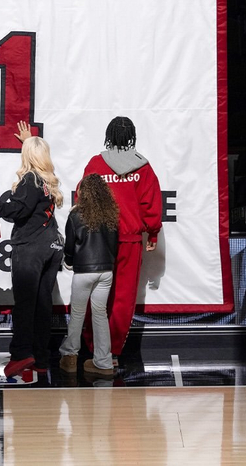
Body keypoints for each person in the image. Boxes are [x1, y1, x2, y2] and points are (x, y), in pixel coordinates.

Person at [0, 127, 64, 378]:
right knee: (43, 304)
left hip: (31, 248)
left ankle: (21, 354)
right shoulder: (47, 179)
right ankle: (41, 358)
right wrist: (29, 142)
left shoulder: (30, 179)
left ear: (28, 156)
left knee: (24, 304)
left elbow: (18, 210)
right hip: (51, 246)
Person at [82, 116, 162, 363]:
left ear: (108, 136)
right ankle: (112, 352)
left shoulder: (95, 164)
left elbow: (83, 199)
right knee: (123, 298)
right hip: (129, 241)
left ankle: (92, 347)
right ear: (132, 137)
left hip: (98, 240)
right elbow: (150, 204)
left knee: (96, 294)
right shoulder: (142, 167)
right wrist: (153, 232)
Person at [59, 173, 119, 377]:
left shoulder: (76, 215)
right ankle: (103, 362)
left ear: (82, 193)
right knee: (100, 313)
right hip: (106, 271)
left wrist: (68, 261)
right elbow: (114, 246)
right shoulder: (111, 215)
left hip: (84, 271)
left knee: (77, 314)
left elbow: (69, 246)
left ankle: (70, 357)